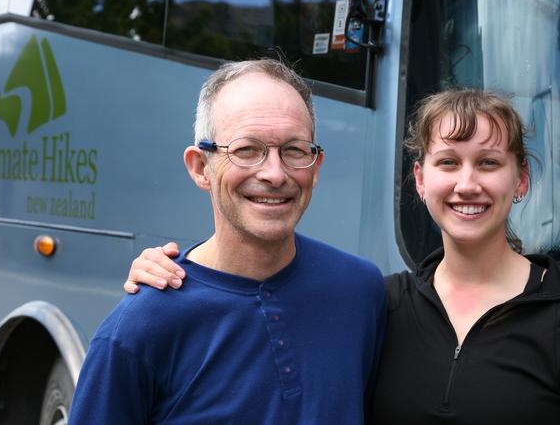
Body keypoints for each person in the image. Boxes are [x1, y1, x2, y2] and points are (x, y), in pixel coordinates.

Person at [124, 89, 560, 424]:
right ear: (420, 179)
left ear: (520, 180)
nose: (467, 184)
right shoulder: (376, 302)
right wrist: (178, 277)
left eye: (487, 163)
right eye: (448, 162)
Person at [69, 59, 387, 424]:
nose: (273, 173)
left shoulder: (360, 291)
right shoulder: (140, 327)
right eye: (247, 150)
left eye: (295, 150)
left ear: (315, 168)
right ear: (201, 168)